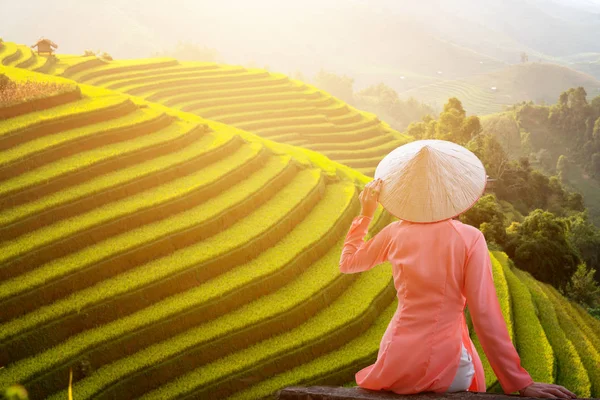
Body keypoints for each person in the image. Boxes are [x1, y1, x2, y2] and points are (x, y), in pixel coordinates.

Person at [338, 140, 577, 399]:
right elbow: (484, 313)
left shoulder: (394, 233)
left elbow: (348, 262)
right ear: (454, 192)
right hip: (446, 364)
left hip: (395, 361)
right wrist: (519, 381)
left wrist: (366, 214)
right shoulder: (469, 237)